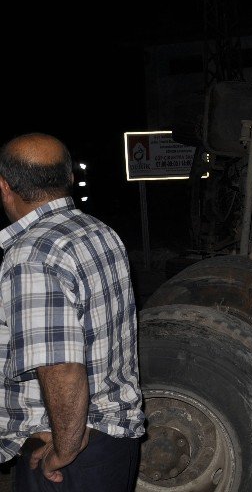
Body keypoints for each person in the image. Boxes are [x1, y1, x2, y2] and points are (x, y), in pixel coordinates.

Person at [0, 133, 144, 490]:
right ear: (67, 178)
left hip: (69, 450)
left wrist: (63, 449)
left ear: (4, 186)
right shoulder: (99, 232)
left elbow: (60, 366)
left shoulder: (32, 256)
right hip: (114, 437)